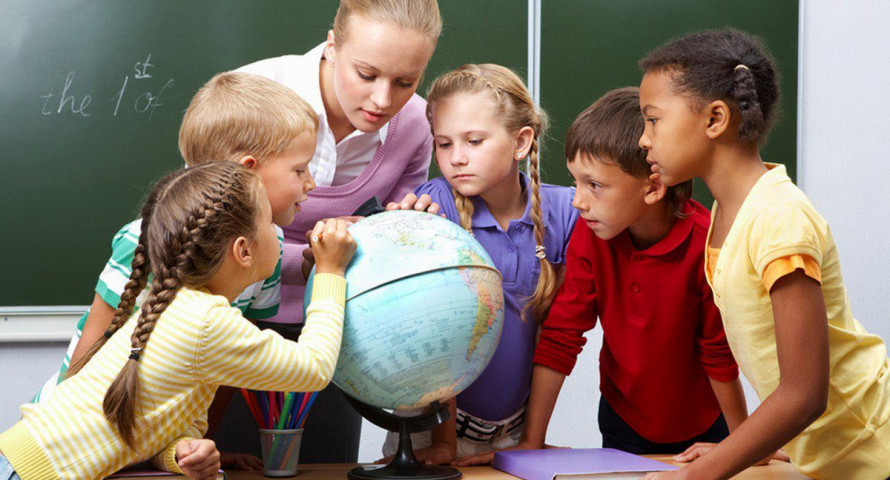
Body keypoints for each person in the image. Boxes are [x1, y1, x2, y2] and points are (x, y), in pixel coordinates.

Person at [637, 28, 890, 480]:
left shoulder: (777, 218)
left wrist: (698, 475)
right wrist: (743, 448)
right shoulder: (729, 210)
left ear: (715, 119)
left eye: (653, 120)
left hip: (873, 448)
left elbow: (804, 394)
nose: (643, 139)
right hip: (832, 456)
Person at [33, 71, 319, 469]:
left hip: (141, 449)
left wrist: (196, 447)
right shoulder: (145, 240)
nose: (312, 183)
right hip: (71, 444)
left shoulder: (267, 255)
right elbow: (88, 360)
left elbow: (222, 370)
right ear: (249, 170)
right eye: (300, 169)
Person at [0, 162, 356, 480]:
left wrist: (179, 452)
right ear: (243, 251)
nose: (278, 232)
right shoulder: (206, 322)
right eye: (270, 222)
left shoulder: (178, 308)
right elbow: (314, 369)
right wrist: (330, 270)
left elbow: (138, 429)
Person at [460, 87, 751, 466]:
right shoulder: (591, 234)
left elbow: (718, 353)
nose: (577, 201)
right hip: (622, 418)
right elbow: (561, 335)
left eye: (594, 185)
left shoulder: (706, 243)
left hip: (705, 424)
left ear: (653, 187)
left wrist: (744, 443)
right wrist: (532, 440)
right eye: (576, 182)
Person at [236, 1, 442, 460]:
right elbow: (205, 235)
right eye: (366, 74)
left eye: (405, 82)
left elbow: (387, 234)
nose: (383, 100)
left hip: (337, 329)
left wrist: (399, 233)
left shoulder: (416, 124)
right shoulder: (251, 95)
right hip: (235, 322)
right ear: (332, 46)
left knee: (327, 465)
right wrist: (317, 258)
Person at [381, 64, 579, 465]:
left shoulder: (565, 212)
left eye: (474, 141)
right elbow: (442, 330)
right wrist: (445, 443)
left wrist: (534, 440)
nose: (457, 158)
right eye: (444, 144)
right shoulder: (437, 205)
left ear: (521, 141)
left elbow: (561, 335)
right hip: (430, 432)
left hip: (514, 436)